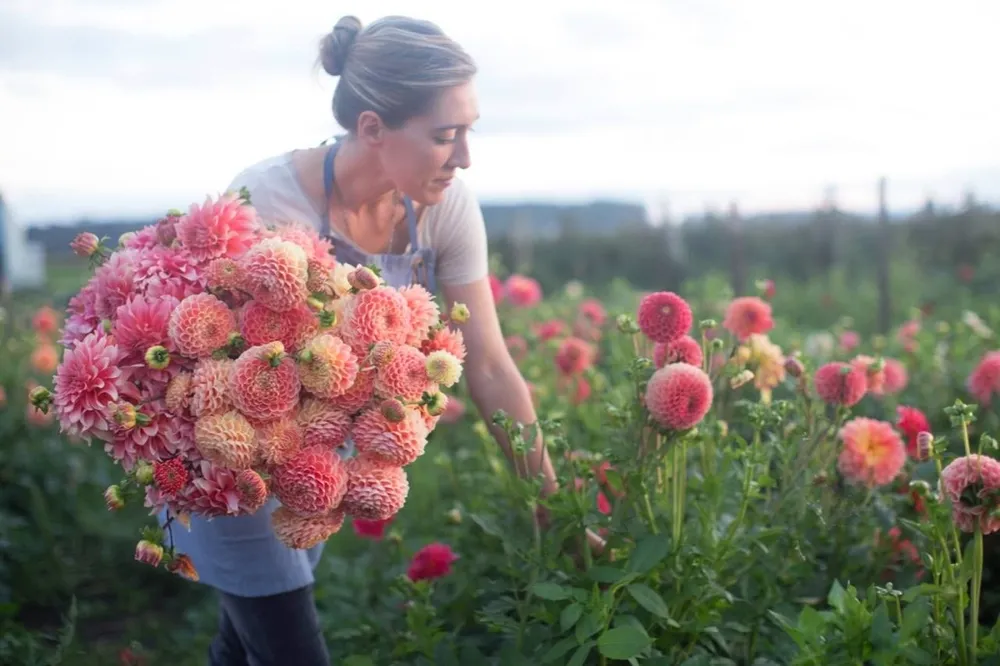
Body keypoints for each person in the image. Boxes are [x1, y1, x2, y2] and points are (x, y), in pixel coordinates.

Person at [166, 15, 605, 666]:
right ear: (372, 128)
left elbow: (486, 364)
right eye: (444, 136)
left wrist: (550, 504)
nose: (464, 158)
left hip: (315, 467)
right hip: (234, 465)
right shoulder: (266, 200)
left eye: (468, 132)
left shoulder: (446, 207)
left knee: (244, 646)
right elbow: (210, 368)